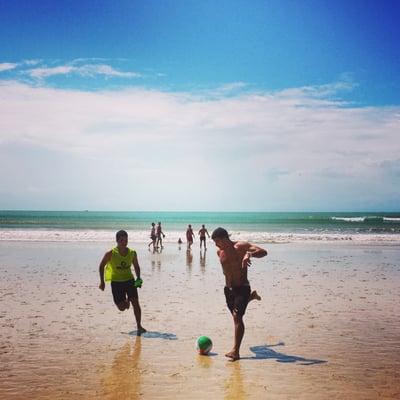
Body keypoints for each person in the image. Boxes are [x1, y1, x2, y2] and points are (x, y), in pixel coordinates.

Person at [211, 227, 267, 361]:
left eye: (217, 241)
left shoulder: (241, 247)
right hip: (228, 290)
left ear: (225, 238)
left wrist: (250, 254)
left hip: (242, 287)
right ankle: (251, 297)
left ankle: (236, 351)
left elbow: (263, 252)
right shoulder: (220, 252)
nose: (216, 245)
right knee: (236, 316)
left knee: (237, 317)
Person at [98, 230, 146, 335]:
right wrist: (102, 282)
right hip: (116, 283)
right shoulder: (110, 254)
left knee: (136, 303)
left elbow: (136, 266)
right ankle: (126, 301)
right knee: (122, 308)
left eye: (126, 239)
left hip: (129, 280)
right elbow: (101, 266)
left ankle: (139, 326)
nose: (124, 242)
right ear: (117, 241)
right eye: (122, 240)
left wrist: (138, 278)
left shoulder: (132, 253)